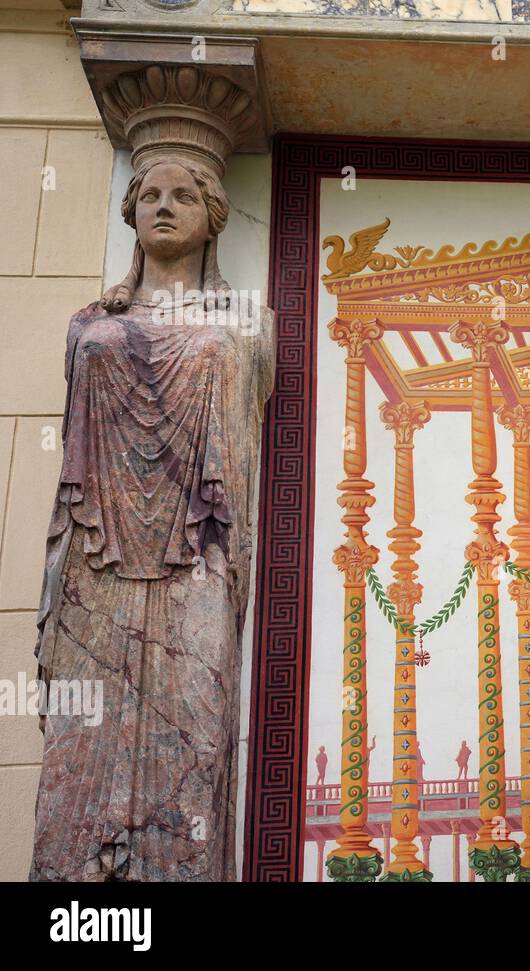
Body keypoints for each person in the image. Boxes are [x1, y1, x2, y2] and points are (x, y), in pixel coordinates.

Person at [29, 155, 274, 881]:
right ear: (130, 213)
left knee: (195, 721)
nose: (164, 206)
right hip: (92, 561)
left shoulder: (248, 322)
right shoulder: (89, 326)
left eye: (184, 195)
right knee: (84, 730)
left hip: (200, 557)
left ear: (213, 216)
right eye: (150, 196)